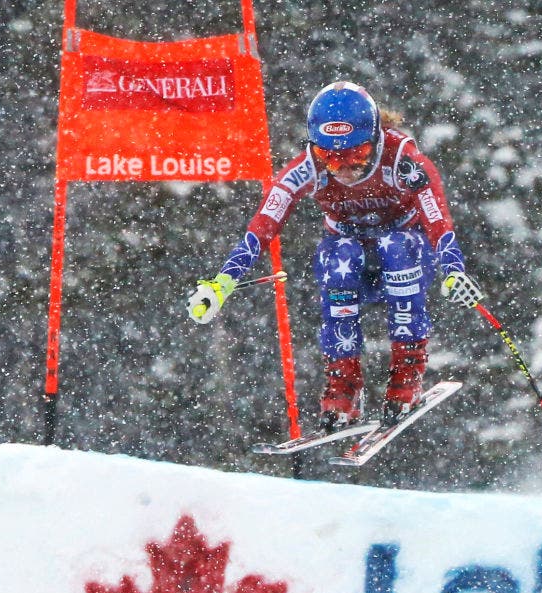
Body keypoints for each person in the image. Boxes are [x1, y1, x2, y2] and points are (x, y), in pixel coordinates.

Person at [187, 81, 484, 430]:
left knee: (396, 246)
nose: (343, 167)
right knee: (340, 255)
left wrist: (454, 270)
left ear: (374, 138)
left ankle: (407, 373)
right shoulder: (308, 168)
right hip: (350, 260)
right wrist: (223, 283)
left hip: (407, 256)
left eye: (356, 155)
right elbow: (263, 225)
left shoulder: (402, 159)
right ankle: (344, 384)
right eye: (330, 157)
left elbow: (438, 219)